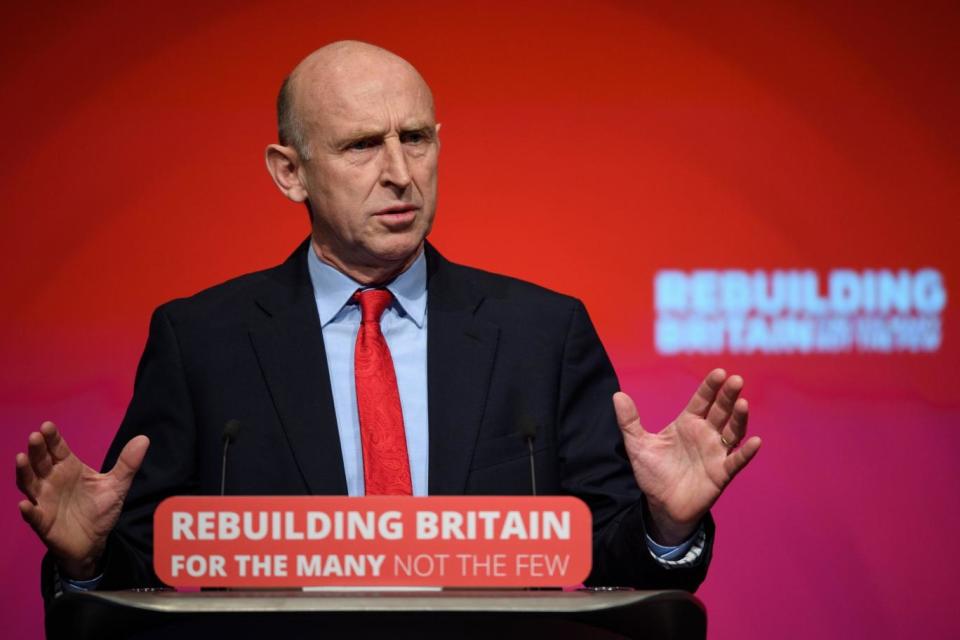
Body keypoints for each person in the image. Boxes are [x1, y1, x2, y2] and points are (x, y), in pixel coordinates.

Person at [16, 41, 760, 600]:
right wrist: (88, 560)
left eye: (417, 137)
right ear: (290, 172)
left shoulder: (542, 333)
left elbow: (611, 569)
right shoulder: (202, 342)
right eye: (362, 145)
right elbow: (146, 576)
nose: (400, 172)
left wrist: (666, 528)